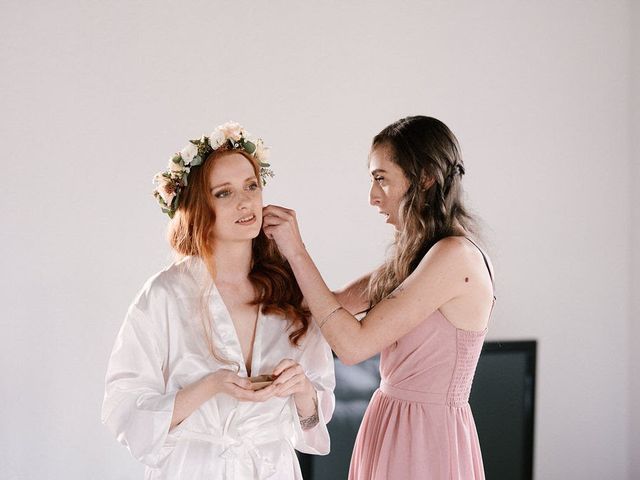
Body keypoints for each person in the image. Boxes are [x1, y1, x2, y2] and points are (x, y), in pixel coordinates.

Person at [262, 115, 494, 479]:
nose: (372, 197)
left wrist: (297, 251)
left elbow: (353, 346)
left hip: (427, 438)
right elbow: (332, 303)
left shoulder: (454, 257)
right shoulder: (421, 254)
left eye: (381, 179)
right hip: (390, 421)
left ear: (426, 178)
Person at [101, 122, 335, 480]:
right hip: (191, 469)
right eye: (224, 193)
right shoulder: (165, 294)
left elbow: (311, 425)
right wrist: (210, 386)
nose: (245, 202)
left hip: (270, 468)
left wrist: (302, 388)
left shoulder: (290, 291)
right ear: (199, 206)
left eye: (251, 186)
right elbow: (123, 408)